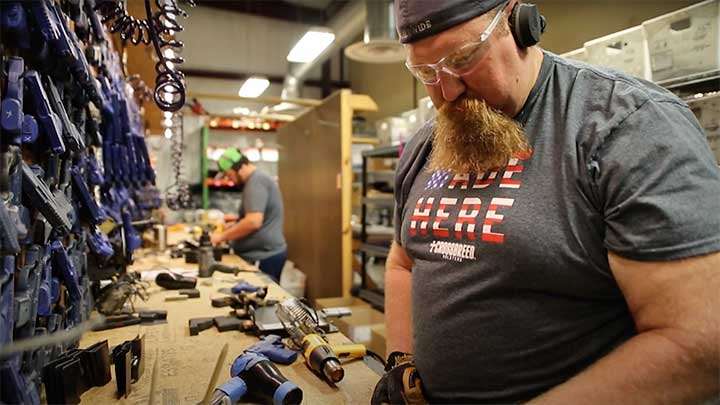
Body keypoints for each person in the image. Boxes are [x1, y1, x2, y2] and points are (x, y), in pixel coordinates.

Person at [372, 0, 720, 403]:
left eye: (463, 59)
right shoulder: (427, 144)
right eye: (426, 72)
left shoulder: (627, 126)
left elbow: (701, 341)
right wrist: (402, 364)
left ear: (520, 23)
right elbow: (403, 262)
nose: (446, 91)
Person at [211, 148, 288, 281]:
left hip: (263, 257)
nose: (231, 181)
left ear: (239, 167)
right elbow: (259, 216)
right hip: (262, 254)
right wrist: (237, 221)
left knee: (262, 298)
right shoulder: (255, 181)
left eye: (230, 175)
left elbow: (253, 222)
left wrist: (220, 237)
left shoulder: (256, 182)